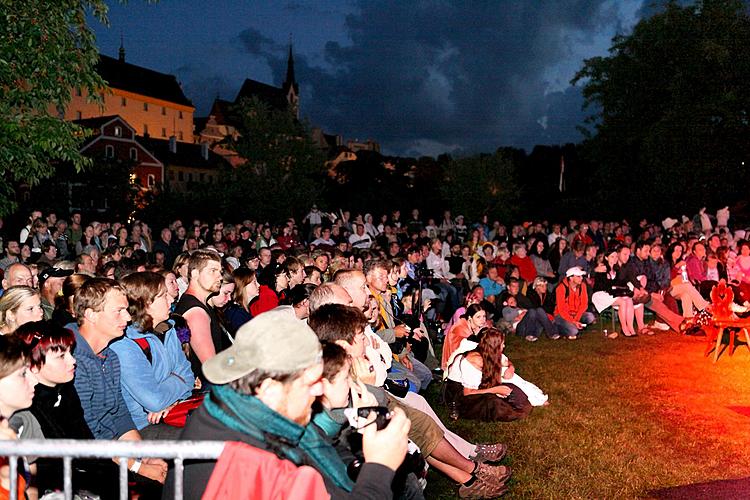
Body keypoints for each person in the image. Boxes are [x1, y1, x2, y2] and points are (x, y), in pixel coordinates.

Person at [165, 308, 411, 499]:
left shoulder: (226, 411)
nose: (318, 390)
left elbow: (322, 457)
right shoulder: (253, 464)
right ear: (271, 389)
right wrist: (380, 466)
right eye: (310, 383)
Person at [70, 278, 168, 483]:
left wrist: (144, 456)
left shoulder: (109, 355)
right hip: (89, 462)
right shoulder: (71, 361)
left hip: (114, 450)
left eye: (126, 310)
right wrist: (140, 467)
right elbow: (88, 433)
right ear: (91, 315)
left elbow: (120, 414)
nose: (128, 317)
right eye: (118, 311)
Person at [13, 320, 119, 498]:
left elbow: (84, 437)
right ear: (33, 364)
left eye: (70, 353)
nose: (73, 361)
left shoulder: (65, 388)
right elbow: (48, 467)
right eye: (61, 356)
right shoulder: (26, 405)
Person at [109, 272, 194, 438]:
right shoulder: (125, 344)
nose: (171, 300)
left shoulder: (167, 328)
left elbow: (189, 376)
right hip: (141, 427)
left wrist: (171, 403)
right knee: (203, 441)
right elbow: (154, 401)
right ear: (145, 304)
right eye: (163, 296)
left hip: (172, 411)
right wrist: (176, 383)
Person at [444, 326, 535, 423]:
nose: (504, 346)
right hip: (461, 395)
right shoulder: (473, 360)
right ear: (494, 346)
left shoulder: (488, 353)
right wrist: (495, 390)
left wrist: (511, 368)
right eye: (502, 344)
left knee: (514, 390)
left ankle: (516, 408)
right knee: (494, 403)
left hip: (479, 388)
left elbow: (507, 362)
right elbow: (468, 392)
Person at [173, 249, 227, 381]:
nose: (219, 277)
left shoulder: (200, 305)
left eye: (220, 272)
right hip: (205, 390)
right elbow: (211, 366)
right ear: (195, 273)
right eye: (212, 271)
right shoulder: (196, 312)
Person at [591, 247, 637, 338]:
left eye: (616, 256)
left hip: (612, 292)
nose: (615, 258)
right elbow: (603, 285)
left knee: (628, 300)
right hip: (600, 294)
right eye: (612, 257)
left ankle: (631, 327)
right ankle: (624, 328)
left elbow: (620, 283)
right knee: (622, 301)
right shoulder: (603, 268)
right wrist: (615, 288)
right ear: (606, 258)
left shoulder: (617, 269)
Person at [554, 267, 595, 339]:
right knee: (573, 331)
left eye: (581, 276)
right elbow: (561, 310)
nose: (581, 278)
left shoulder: (583, 286)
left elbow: (584, 305)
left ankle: (572, 327)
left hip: (575, 314)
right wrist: (573, 321)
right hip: (562, 315)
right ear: (571, 278)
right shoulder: (561, 288)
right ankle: (558, 327)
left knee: (590, 317)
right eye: (578, 276)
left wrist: (576, 319)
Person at [442, 304, 487, 369]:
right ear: (470, 317)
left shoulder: (476, 325)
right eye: (478, 317)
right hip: (455, 363)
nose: (482, 320)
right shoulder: (460, 328)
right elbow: (460, 351)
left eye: (484, 316)